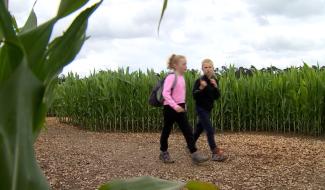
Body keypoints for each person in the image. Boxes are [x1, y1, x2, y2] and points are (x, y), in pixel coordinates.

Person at [159, 54, 209, 164]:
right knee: (166, 130)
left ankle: (194, 153)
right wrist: (175, 106)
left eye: (186, 63)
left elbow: (180, 95)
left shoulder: (182, 77)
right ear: (176, 65)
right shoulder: (171, 77)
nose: (186, 66)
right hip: (169, 108)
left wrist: (182, 106)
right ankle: (163, 152)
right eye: (184, 64)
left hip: (180, 108)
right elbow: (165, 93)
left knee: (187, 130)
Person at [193, 59, 227, 162]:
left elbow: (216, 96)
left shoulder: (214, 81)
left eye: (210, 67)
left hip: (208, 109)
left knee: (199, 128)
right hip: (200, 108)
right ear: (202, 69)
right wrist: (201, 88)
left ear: (213, 68)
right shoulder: (199, 81)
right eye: (205, 67)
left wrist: (216, 87)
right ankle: (215, 152)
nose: (208, 69)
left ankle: (190, 143)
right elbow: (194, 96)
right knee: (209, 129)